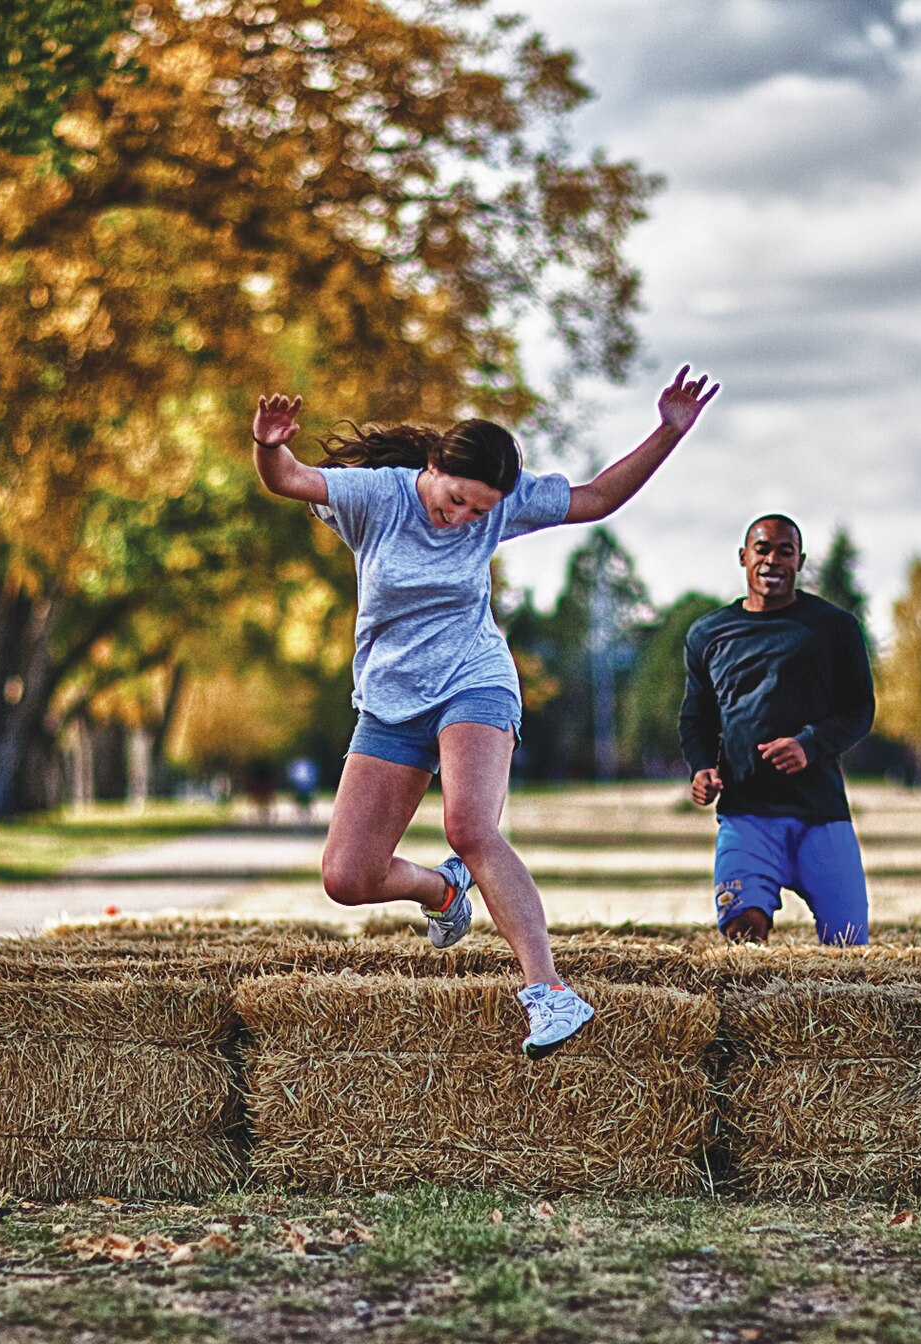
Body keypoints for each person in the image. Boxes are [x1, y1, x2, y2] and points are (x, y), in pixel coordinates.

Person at [254, 368, 718, 1057]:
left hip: (473, 679)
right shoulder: (378, 496)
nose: (464, 519)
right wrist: (267, 445)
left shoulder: (498, 506)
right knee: (346, 877)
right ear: (434, 466)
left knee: (470, 823)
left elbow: (595, 497)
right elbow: (288, 479)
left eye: (480, 511)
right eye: (456, 500)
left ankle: (549, 992)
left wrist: (667, 433)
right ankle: (442, 890)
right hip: (389, 696)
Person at [680, 515, 874, 945]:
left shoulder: (835, 628)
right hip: (746, 815)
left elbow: (861, 709)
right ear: (743, 557)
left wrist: (810, 744)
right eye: (763, 549)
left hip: (820, 814)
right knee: (743, 933)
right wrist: (700, 767)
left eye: (785, 551)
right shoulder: (708, 634)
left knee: (849, 947)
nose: (772, 560)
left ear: (800, 561)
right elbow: (696, 718)